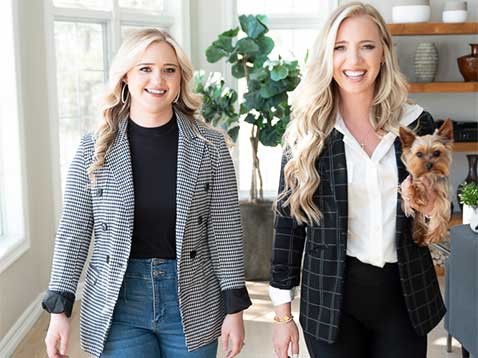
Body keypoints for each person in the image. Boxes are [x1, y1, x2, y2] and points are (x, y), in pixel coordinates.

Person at [42, 28, 251, 358]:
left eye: (169, 69)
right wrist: (59, 309)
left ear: (181, 78)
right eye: (145, 68)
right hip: (120, 301)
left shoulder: (211, 147)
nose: (159, 79)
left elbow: (225, 232)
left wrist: (235, 309)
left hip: (193, 296)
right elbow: (74, 231)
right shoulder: (92, 148)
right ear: (125, 76)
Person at [269, 3, 445, 358]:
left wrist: (428, 208)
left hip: (403, 297)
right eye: (340, 47)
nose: (354, 59)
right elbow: (288, 227)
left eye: (366, 45)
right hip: (331, 301)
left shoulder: (416, 124)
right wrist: (282, 315)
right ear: (327, 55)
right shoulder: (308, 134)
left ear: (383, 53)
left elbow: (435, 214)